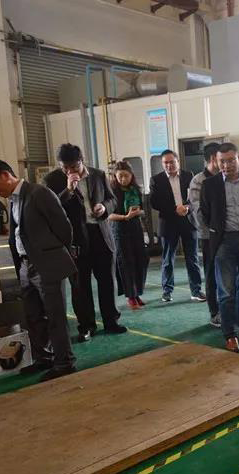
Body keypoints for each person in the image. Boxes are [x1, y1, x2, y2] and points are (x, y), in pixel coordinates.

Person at [0, 159, 77, 382]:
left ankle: (65, 362)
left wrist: (53, 255)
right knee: (33, 315)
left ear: (5, 175)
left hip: (46, 264)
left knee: (55, 315)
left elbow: (64, 228)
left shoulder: (39, 193)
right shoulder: (14, 200)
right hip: (24, 265)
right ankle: (44, 358)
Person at [44, 144, 127, 341]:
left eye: (74, 166)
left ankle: (111, 321)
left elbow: (112, 199)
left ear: (82, 161)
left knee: (107, 281)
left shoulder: (98, 175)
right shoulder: (52, 180)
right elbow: (50, 208)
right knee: (80, 285)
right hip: (76, 239)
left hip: (100, 234)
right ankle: (86, 326)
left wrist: (104, 207)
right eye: (65, 167)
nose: (70, 171)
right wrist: (68, 190)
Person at [200, 143, 239, 353]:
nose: (226, 165)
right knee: (226, 291)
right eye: (222, 161)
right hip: (223, 242)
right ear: (216, 162)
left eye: (230, 160)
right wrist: (220, 230)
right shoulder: (209, 185)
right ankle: (230, 335)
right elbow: (206, 214)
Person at [149, 149, 205, 303]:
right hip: (168, 223)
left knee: (192, 258)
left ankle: (196, 290)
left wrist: (187, 207)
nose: (169, 165)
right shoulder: (156, 180)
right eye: (165, 163)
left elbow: (194, 197)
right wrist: (175, 209)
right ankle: (167, 291)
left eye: (172, 162)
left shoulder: (188, 175)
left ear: (178, 162)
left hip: (188, 221)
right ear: (162, 164)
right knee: (168, 259)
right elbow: (154, 202)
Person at [108, 161, 148, 310]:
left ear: (132, 175)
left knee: (141, 259)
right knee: (126, 262)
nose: (123, 179)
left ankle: (137, 293)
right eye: (120, 176)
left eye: (126, 176)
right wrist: (125, 217)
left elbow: (143, 210)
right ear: (115, 176)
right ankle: (130, 296)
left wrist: (138, 213)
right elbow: (109, 215)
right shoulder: (111, 192)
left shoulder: (135, 190)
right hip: (119, 229)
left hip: (135, 228)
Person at [189, 143, 221, 327]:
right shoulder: (198, 181)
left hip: (228, 235)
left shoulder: (226, 176)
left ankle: (229, 309)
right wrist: (215, 228)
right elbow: (198, 211)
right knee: (211, 274)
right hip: (209, 236)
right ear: (212, 159)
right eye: (221, 158)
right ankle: (215, 312)